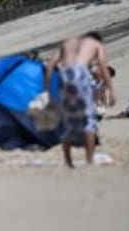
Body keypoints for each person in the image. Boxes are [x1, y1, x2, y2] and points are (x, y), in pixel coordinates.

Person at [44, 31, 115, 167]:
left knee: (68, 121)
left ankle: (68, 161)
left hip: (64, 76)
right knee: (88, 120)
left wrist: (47, 89)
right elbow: (102, 66)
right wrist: (111, 89)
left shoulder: (68, 42)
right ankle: (89, 160)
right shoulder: (96, 44)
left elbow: (50, 65)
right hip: (80, 75)